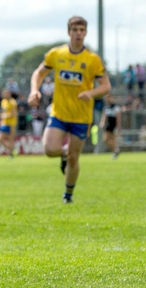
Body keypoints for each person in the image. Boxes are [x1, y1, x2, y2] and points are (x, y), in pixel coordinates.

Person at [28, 16, 111, 204]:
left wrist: (91, 93)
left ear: (86, 33)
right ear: (69, 32)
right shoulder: (56, 54)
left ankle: (68, 195)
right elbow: (38, 74)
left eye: (82, 30)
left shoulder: (92, 60)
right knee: (49, 149)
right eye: (75, 30)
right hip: (59, 113)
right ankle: (63, 153)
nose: (78, 34)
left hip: (81, 117)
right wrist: (34, 91)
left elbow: (106, 86)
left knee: (74, 159)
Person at [0, 88, 18, 158]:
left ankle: (11, 154)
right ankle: (12, 150)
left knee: (10, 139)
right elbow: (4, 112)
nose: (4, 95)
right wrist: (1, 120)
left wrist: (4, 116)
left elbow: (13, 114)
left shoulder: (13, 102)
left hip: (11, 124)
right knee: (0, 139)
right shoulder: (3, 102)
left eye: (6, 93)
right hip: (4, 123)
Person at [99, 94, 121, 159]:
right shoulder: (106, 107)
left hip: (113, 125)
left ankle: (115, 152)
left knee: (113, 140)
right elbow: (104, 116)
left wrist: (118, 126)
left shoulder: (116, 107)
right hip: (108, 125)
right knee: (105, 139)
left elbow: (118, 118)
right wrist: (102, 123)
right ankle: (116, 150)